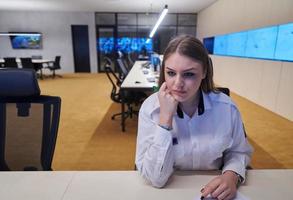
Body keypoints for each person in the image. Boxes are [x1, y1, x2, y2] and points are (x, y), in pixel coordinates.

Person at [135, 35, 253, 200]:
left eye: (189, 74)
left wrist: (231, 175)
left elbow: (239, 152)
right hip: (170, 192)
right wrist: (165, 120)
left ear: (204, 71)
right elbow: (156, 179)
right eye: (170, 73)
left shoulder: (227, 108)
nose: (177, 83)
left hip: (213, 190)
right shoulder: (150, 109)